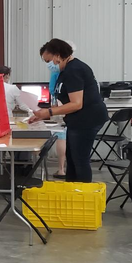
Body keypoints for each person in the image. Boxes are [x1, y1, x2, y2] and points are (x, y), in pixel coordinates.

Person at [28, 39, 108, 183]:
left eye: (48, 61)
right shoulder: (66, 71)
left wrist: (49, 113)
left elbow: (76, 104)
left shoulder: (74, 70)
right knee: (72, 159)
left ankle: (82, 195)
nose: (48, 65)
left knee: (79, 160)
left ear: (58, 55)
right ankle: (72, 191)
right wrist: (43, 115)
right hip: (78, 120)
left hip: (87, 119)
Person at [40, 42, 67, 178]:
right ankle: (62, 168)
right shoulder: (60, 69)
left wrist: (48, 111)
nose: (50, 63)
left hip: (59, 104)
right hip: (59, 104)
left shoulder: (60, 71)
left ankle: (61, 169)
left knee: (61, 135)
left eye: (49, 60)